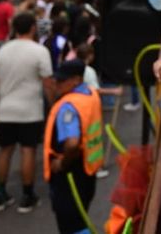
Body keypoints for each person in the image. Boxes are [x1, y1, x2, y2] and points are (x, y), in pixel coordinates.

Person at [0, 11, 55, 213]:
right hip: (30, 110)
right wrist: (54, 105)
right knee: (28, 150)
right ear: (33, 28)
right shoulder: (39, 51)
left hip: (6, 110)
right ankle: (27, 195)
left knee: (5, 150)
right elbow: (48, 83)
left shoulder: (3, 51)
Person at [44, 59, 103, 234]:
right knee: (80, 218)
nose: (56, 84)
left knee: (71, 225)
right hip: (88, 170)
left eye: (61, 81)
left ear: (76, 80)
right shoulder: (90, 94)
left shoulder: (68, 106)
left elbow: (72, 143)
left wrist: (61, 163)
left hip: (69, 174)